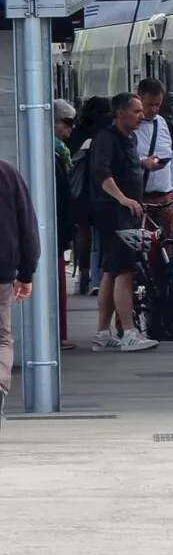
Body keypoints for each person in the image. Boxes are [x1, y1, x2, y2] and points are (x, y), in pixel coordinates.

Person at [89, 93, 158, 353]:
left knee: (110, 271)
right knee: (125, 270)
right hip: (113, 212)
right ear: (120, 113)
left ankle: (103, 333)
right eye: (137, 111)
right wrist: (124, 199)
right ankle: (128, 332)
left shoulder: (128, 139)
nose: (142, 116)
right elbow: (101, 173)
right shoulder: (106, 138)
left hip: (123, 211)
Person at [0, 158, 39, 427]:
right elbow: (27, 225)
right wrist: (26, 273)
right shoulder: (7, 172)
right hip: (2, 270)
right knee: (2, 337)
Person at [69, 96, 111, 296]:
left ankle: (85, 275)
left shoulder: (76, 135)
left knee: (85, 234)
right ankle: (98, 276)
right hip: (102, 192)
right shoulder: (107, 134)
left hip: (81, 194)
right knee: (101, 236)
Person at [134, 79, 173, 238]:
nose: (154, 110)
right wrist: (142, 163)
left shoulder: (163, 124)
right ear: (139, 99)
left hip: (165, 198)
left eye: (158, 105)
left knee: (166, 249)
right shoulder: (130, 126)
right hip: (141, 199)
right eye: (150, 104)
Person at [53, 99, 76, 351]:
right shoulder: (53, 153)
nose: (71, 129)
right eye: (66, 123)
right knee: (56, 283)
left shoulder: (60, 152)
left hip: (58, 227)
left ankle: (60, 333)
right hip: (55, 228)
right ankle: (58, 334)